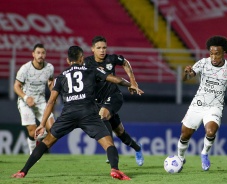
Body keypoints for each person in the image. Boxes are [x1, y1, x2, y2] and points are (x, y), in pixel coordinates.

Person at [11, 46, 144, 180]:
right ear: (81, 58)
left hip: (69, 114)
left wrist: (42, 123)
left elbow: (51, 102)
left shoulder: (61, 77)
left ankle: (23, 171)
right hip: (88, 113)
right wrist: (131, 85)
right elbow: (116, 79)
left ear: (68, 60)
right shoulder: (92, 70)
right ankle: (115, 169)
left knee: (46, 142)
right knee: (109, 144)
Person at [177, 36, 227, 171]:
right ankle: (180, 158)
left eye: (217, 54)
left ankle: (204, 153)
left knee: (211, 131)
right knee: (185, 135)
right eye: (211, 53)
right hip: (197, 105)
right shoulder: (203, 63)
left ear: (224, 53)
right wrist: (185, 73)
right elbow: (186, 78)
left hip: (215, 106)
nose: (213, 57)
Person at [84, 36, 144, 166]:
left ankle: (109, 150)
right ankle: (137, 148)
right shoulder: (87, 62)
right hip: (99, 101)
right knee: (120, 133)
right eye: (99, 48)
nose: (102, 51)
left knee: (102, 115)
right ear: (92, 49)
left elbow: (125, 62)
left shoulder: (111, 59)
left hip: (114, 96)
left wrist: (133, 81)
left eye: (104, 48)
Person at [14, 43, 55, 154]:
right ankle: (33, 152)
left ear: (45, 54)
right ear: (33, 54)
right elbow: (16, 86)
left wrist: (52, 91)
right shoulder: (25, 69)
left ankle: (40, 142)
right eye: (38, 53)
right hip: (25, 102)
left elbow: (50, 81)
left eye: (43, 53)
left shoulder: (49, 68)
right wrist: (26, 97)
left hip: (41, 101)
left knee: (53, 129)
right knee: (33, 132)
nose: (40, 55)